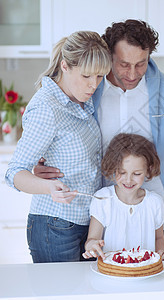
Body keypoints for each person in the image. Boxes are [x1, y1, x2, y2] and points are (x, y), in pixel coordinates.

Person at [33, 20, 164, 299]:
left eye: (141, 63)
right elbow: (53, 127)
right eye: (123, 64)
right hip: (108, 221)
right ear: (108, 56)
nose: (132, 73)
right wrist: (38, 162)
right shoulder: (90, 90)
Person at [5, 31, 112, 263]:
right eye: (86, 76)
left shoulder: (81, 99)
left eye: (100, 76)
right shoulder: (47, 108)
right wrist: (49, 187)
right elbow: (14, 173)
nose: (94, 84)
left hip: (87, 222)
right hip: (54, 226)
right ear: (65, 66)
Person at [82, 133, 164, 266]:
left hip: (144, 272)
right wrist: (92, 246)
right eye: (122, 172)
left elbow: (159, 238)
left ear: (148, 170)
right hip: (111, 272)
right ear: (113, 167)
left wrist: (161, 253)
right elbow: (92, 239)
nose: (128, 180)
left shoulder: (154, 202)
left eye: (136, 174)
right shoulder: (103, 198)